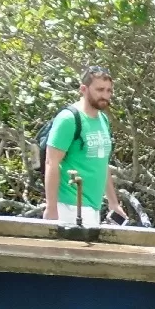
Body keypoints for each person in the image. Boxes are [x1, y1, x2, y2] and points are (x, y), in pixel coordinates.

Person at [43, 66, 125, 227]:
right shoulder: (68, 119)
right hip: (69, 205)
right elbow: (51, 163)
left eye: (109, 90)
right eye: (100, 90)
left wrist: (113, 203)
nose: (105, 95)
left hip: (93, 207)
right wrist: (51, 208)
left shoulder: (103, 119)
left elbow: (102, 163)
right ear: (83, 89)